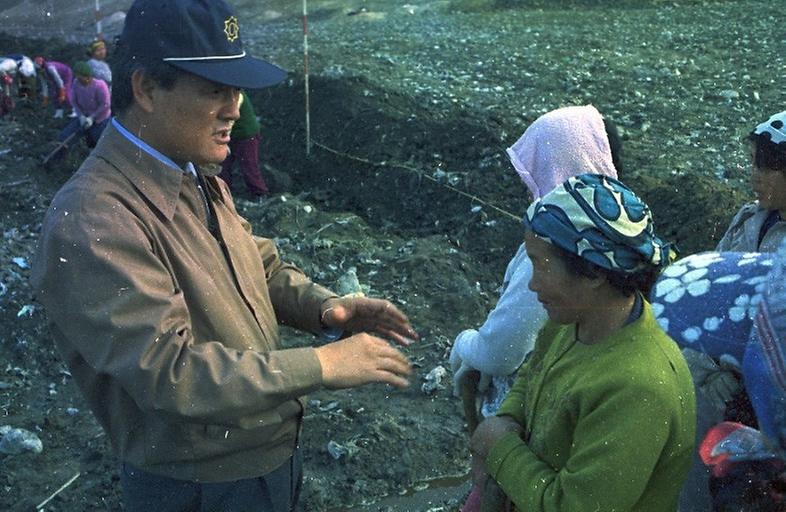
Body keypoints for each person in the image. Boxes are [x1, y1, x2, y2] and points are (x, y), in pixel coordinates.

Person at [31, 1, 417, 511]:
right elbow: (170, 373)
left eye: (236, 88)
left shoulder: (190, 169)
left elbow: (253, 260)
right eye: (215, 89)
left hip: (264, 457)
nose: (235, 107)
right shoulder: (94, 218)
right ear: (146, 89)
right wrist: (322, 364)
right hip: (199, 486)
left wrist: (325, 308)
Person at [468, 174, 694, 511]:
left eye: (541, 265)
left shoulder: (638, 387)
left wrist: (499, 447)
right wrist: (509, 418)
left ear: (594, 272)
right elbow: (533, 374)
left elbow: (572, 505)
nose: (531, 285)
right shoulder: (569, 322)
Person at [449, 105, 621, 510]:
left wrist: (463, 345)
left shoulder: (551, 248)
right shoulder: (624, 230)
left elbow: (504, 351)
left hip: (535, 426)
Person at [680, 110, 786, 511]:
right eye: (754, 164)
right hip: (705, 370)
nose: (755, 176)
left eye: (767, 168)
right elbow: (710, 296)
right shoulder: (749, 221)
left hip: (750, 400)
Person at [47, 61, 110, 165]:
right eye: (80, 78)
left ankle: (100, 163)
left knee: (98, 141)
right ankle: (55, 162)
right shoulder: (76, 83)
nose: (84, 80)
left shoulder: (100, 86)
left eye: (86, 78)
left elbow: (105, 104)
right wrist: (81, 116)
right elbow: (74, 101)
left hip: (100, 119)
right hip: (83, 116)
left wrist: (92, 118)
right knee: (65, 136)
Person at [218, 90, 269, 197]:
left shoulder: (237, 95)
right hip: (232, 134)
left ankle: (260, 194)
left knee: (249, 166)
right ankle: (223, 193)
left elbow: (230, 118)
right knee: (223, 165)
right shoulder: (227, 92)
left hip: (246, 134)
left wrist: (224, 139)